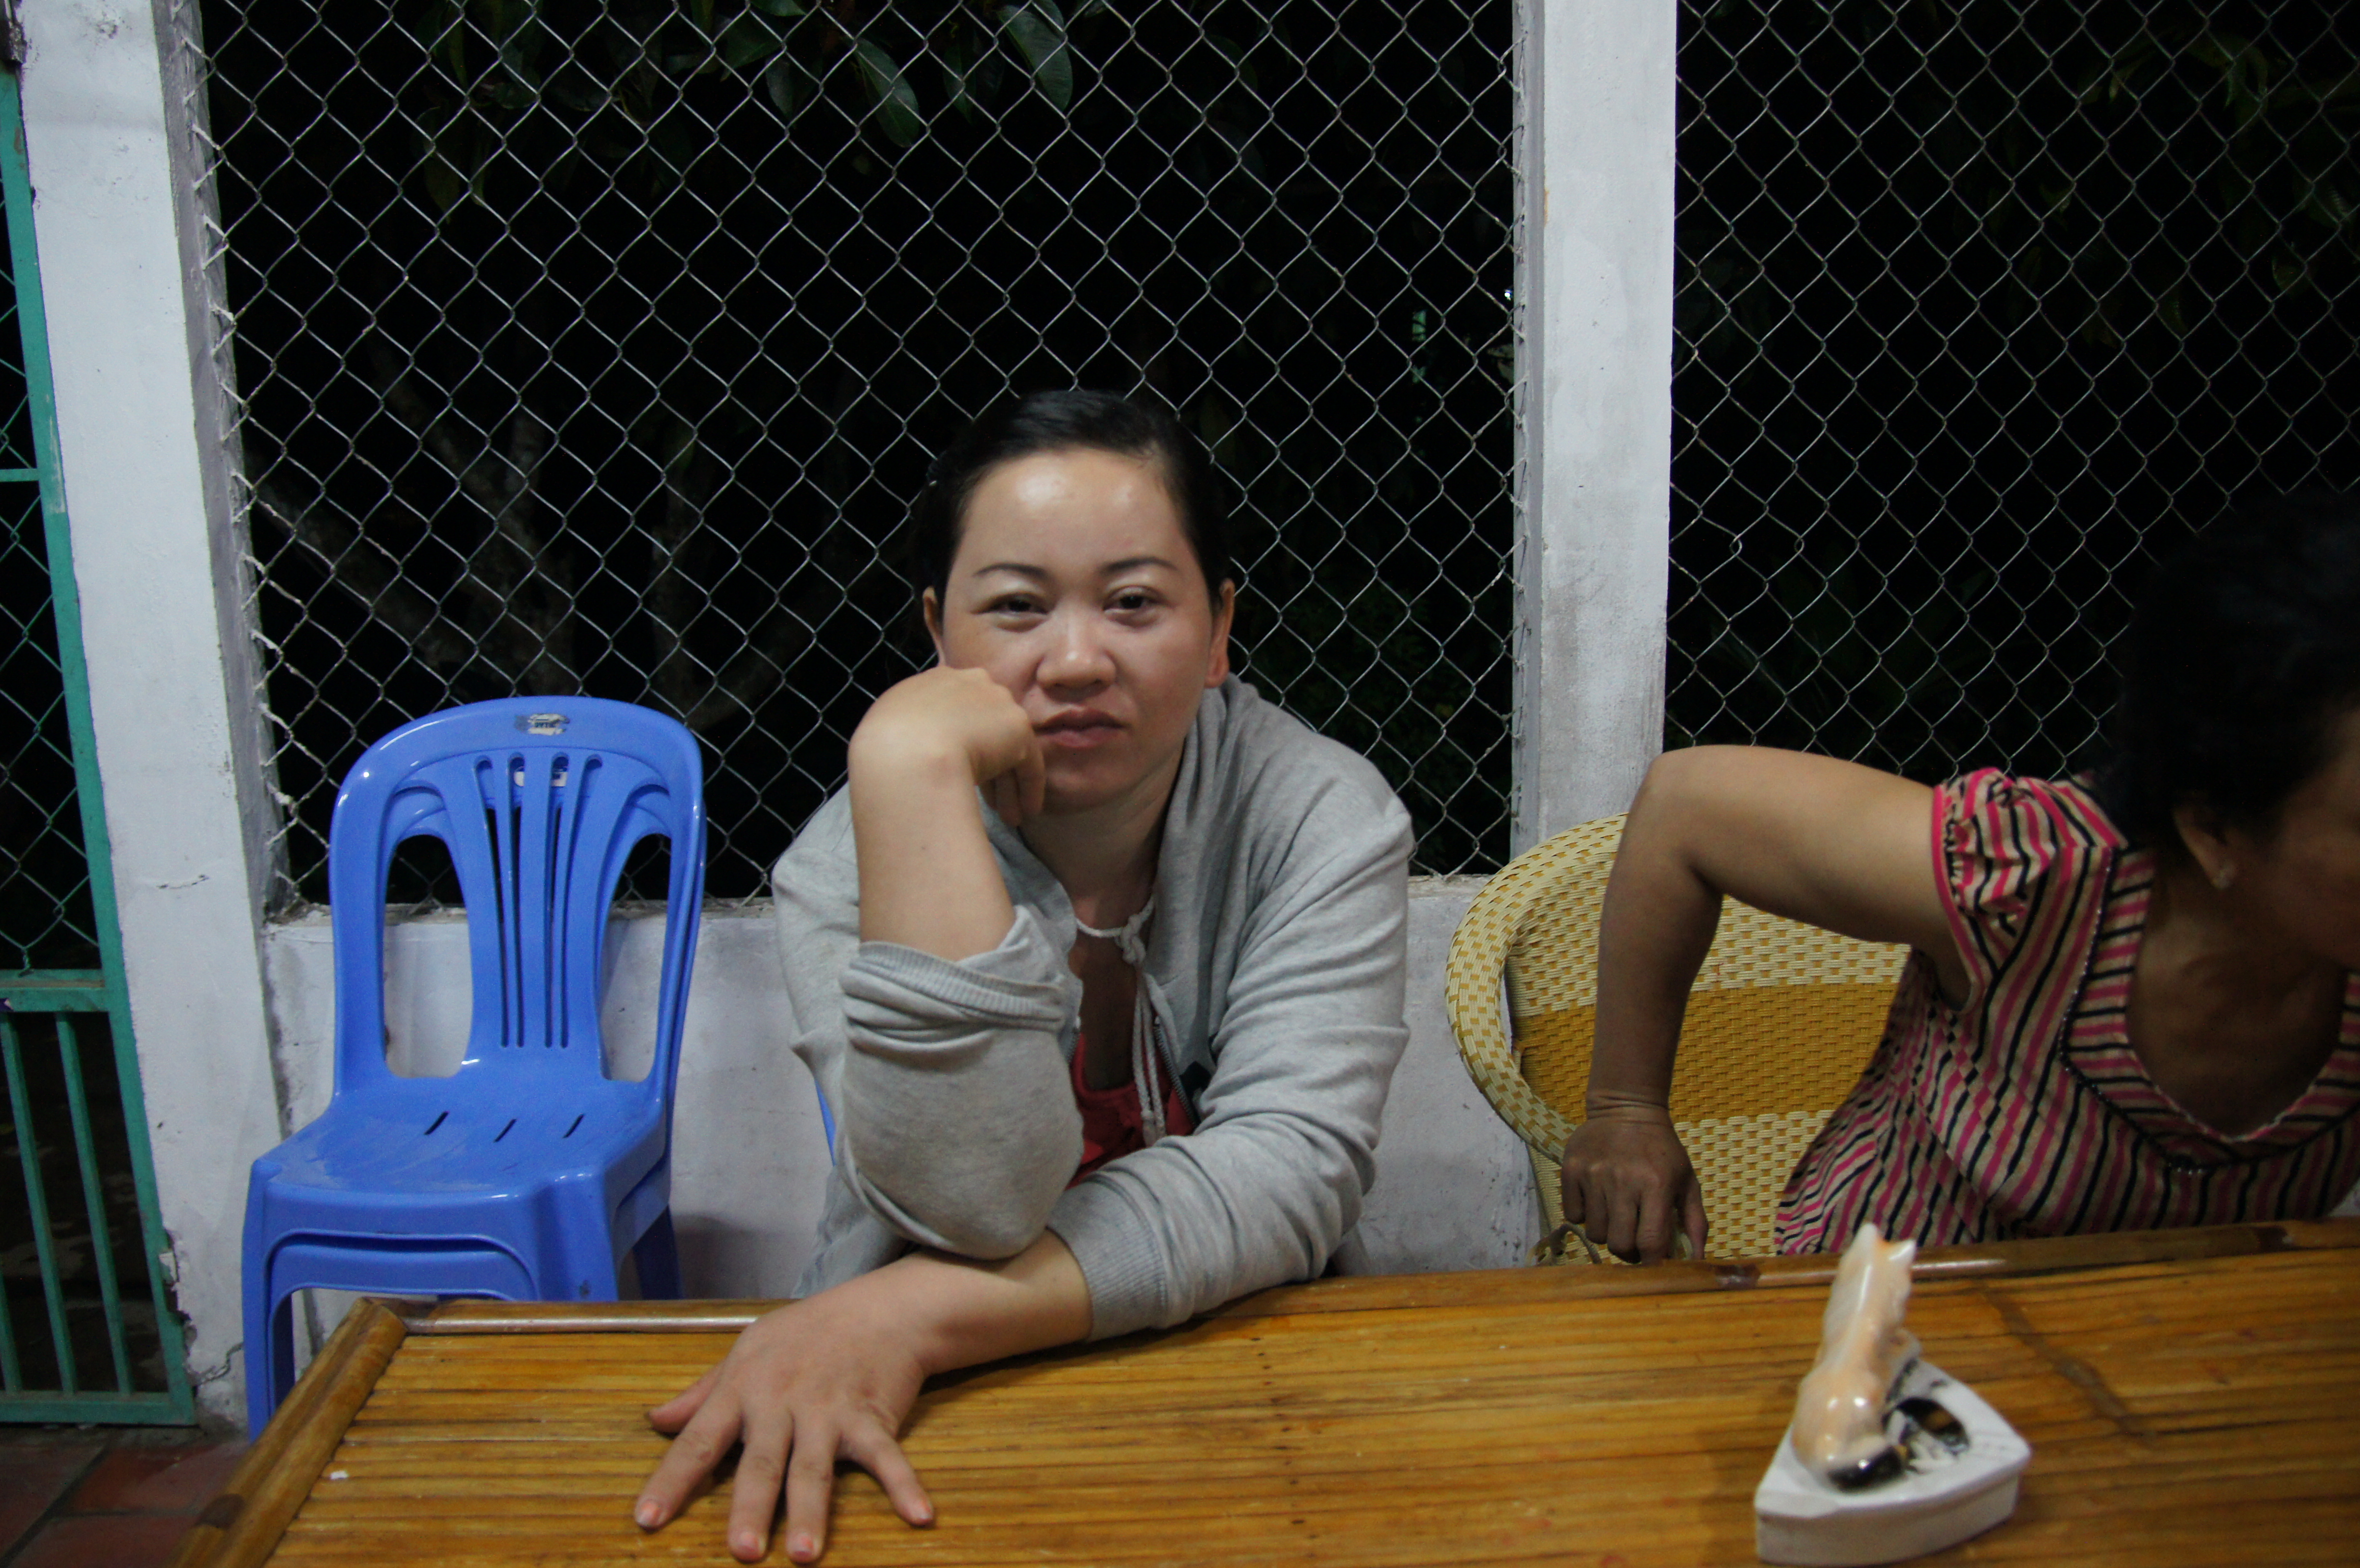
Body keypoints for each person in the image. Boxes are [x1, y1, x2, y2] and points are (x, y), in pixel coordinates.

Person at [633, 391, 1413, 1562]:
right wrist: (907, 776)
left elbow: (1291, 1167)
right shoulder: (845, 859)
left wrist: (912, 1312)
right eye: (1016, 607)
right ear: (938, 635)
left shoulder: (1316, 816)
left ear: (1217, 632)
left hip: (1231, 1351)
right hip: (924, 1396)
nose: (1077, 660)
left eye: (1134, 602)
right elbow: (972, 1202)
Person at [1560, 492, 2360, 1266]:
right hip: (1894, 1324)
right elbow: (1686, 807)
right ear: (2212, 826)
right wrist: (1626, 1112)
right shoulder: (2025, 877)